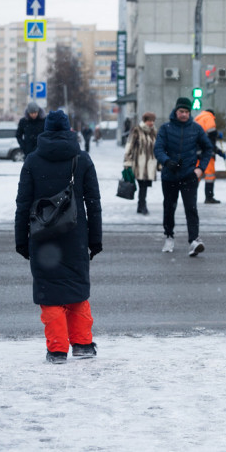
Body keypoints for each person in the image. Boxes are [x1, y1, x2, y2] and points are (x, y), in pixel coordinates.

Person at [14, 110, 103, 364]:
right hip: (75, 235)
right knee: (76, 289)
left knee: (50, 292)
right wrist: (95, 239)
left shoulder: (32, 160)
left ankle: (56, 350)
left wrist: (21, 239)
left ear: (44, 130)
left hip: (42, 237)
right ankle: (83, 344)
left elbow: (23, 204)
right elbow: (93, 203)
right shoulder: (82, 159)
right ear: (68, 130)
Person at [153, 97, 214, 256]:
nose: (184, 114)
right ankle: (169, 236)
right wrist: (167, 162)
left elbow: (208, 149)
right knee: (169, 207)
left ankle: (194, 241)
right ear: (176, 111)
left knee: (191, 208)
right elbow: (158, 149)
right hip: (169, 175)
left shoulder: (196, 128)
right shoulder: (165, 128)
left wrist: (200, 169)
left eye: (187, 112)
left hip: (189, 175)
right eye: (181, 111)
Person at [123, 112, 158, 215]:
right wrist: (127, 162)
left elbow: (157, 147)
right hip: (138, 164)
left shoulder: (154, 132)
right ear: (144, 120)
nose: (151, 123)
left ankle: (141, 205)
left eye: (153, 121)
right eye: (149, 120)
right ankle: (142, 205)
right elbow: (129, 145)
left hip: (150, 164)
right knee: (142, 185)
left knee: (145, 186)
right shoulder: (136, 130)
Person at [194, 109, 226, 203]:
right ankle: (209, 197)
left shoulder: (198, 119)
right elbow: (211, 134)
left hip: (197, 152)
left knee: (196, 174)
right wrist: (217, 134)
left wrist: (219, 152)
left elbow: (207, 140)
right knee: (210, 175)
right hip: (207, 154)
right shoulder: (209, 117)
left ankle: (191, 196)